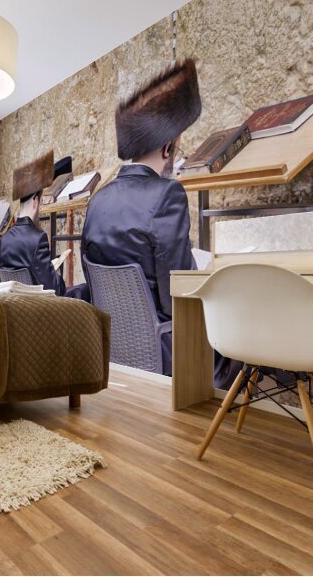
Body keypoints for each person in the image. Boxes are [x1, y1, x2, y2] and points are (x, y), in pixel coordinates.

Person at [81, 59, 238, 385]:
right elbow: (178, 293)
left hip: (116, 347)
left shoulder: (97, 200)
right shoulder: (167, 194)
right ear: (168, 147)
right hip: (167, 348)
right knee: (239, 330)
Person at [0, 151, 83, 298]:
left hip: (18, 310)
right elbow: (56, 290)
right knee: (84, 289)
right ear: (36, 202)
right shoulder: (37, 238)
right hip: (42, 312)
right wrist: (55, 271)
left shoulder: (3, 240)